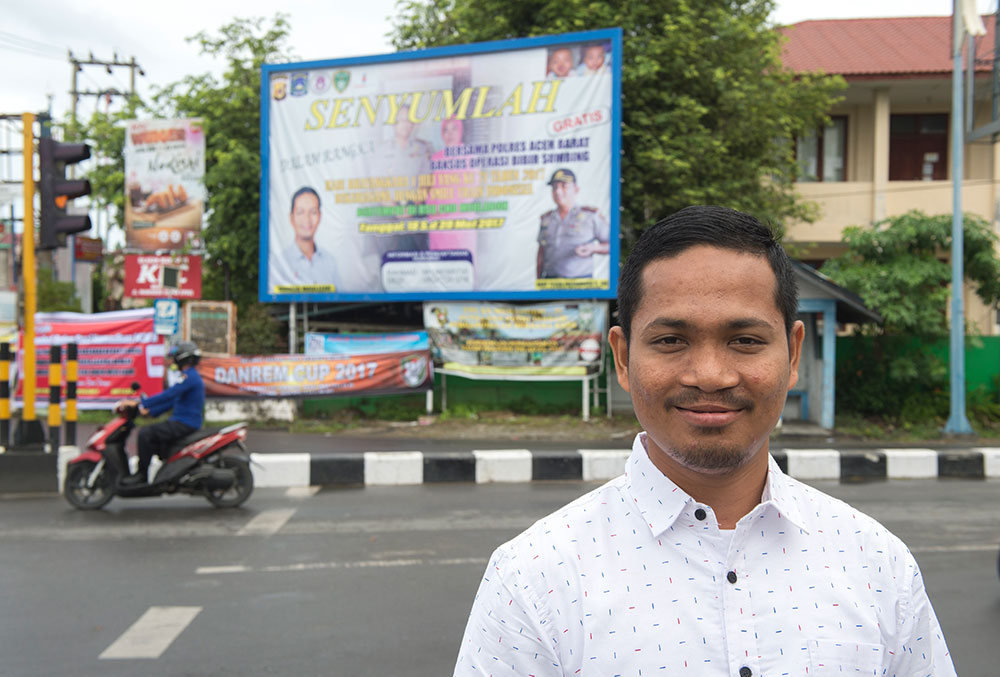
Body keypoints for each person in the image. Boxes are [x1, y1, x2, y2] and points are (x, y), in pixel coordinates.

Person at [455, 206, 956, 676]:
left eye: (746, 340)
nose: (711, 376)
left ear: (793, 351)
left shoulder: (877, 566)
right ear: (624, 358)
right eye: (671, 340)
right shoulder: (533, 579)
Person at [121, 341, 205, 485]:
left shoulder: (189, 377)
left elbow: (169, 395)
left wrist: (141, 403)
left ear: (184, 359)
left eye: (176, 357)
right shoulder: (189, 377)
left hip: (185, 423)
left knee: (145, 433)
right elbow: (172, 402)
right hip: (182, 422)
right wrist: (150, 412)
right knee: (152, 435)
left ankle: (141, 476)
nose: (173, 361)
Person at [536, 168, 610, 279]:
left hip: (580, 283)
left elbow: (612, 245)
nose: (558, 191)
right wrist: (538, 280)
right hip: (550, 284)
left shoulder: (590, 215)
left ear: (576, 189)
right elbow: (541, 251)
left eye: (564, 186)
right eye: (554, 187)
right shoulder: (546, 219)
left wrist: (592, 248)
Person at [271, 186, 339, 290]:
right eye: (300, 212)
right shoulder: (280, 263)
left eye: (313, 212)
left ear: (320, 216)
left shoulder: (330, 261)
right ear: (291, 217)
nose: (307, 219)